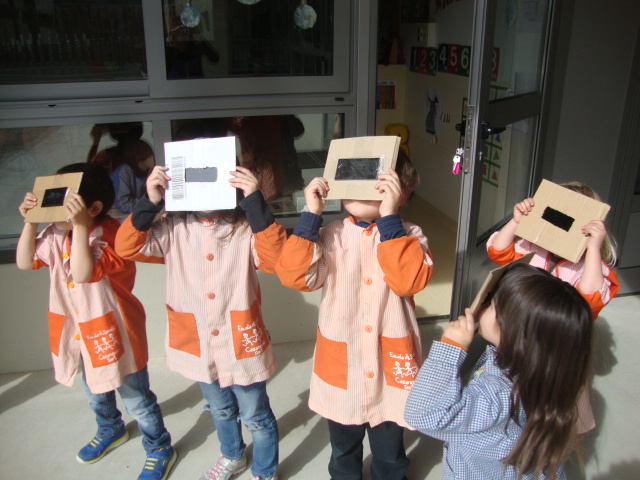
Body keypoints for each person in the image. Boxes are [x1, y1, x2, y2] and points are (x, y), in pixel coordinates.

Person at [115, 164, 285, 480]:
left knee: (256, 414)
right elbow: (126, 246)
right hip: (200, 342)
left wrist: (254, 200)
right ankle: (232, 456)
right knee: (220, 409)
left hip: (240, 340)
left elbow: (275, 260)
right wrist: (150, 202)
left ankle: (264, 470)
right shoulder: (172, 228)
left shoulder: (246, 227)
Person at [276, 150, 434, 480]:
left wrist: (389, 221)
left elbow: (408, 281)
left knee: (390, 448)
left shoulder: (411, 235)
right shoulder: (328, 235)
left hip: (389, 365)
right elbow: (294, 276)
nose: (360, 190)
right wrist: (310, 216)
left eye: (375, 183)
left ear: (401, 194)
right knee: (343, 447)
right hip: (342, 365)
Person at [16, 163, 175, 480]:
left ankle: (159, 446)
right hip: (79, 332)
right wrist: (30, 222)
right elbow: (23, 261)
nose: (51, 210)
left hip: (116, 332)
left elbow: (83, 272)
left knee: (136, 399)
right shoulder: (57, 232)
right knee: (94, 391)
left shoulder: (113, 235)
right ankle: (110, 428)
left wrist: (79, 227)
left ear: (93, 209)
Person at [405, 262, 593, 480]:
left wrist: (450, 349)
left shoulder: (497, 396)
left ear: (512, 330)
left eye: (492, 304)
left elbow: (422, 414)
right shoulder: (551, 369)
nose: (483, 304)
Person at [486, 181, 619, 433]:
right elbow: (498, 252)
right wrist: (516, 222)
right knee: (512, 398)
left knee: (549, 408)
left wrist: (593, 249)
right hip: (520, 337)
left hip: (555, 350)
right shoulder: (533, 246)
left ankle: (544, 439)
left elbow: (590, 301)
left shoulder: (590, 265)